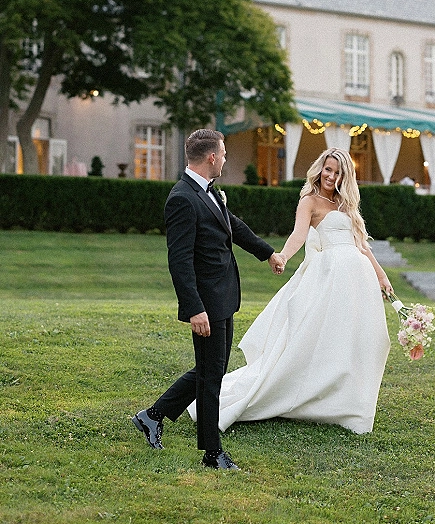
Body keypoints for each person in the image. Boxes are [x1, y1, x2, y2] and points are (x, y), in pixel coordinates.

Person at [188, 147, 394, 436]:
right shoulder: (310, 201)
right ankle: (298, 391)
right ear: (320, 169)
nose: (331, 176)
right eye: (328, 169)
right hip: (331, 277)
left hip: (357, 279)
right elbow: (299, 234)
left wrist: (381, 275)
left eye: (337, 172)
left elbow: (362, 244)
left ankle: (346, 401)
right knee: (317, 336)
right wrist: (282, 256)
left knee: (353, 337)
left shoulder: (346, 204)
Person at [132, 129, 285, 470]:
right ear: (212, 157)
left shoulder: (209, 192)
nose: (227, 158)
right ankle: (212, 454)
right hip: (207, 302)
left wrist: (268, 253)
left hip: (224, 296)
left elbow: (233, 226)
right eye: (224, 153)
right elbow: (180, 261)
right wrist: (194, 308)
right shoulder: (182, 198)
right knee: (211, 374)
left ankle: (152, 416)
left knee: (209, 369)